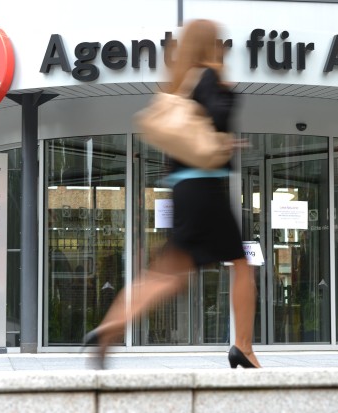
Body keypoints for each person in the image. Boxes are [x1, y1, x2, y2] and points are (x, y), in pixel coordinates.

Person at [83, 19, 260, 369]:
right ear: (210, 45)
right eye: (219, 42)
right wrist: (226, 105)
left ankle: (112, 324)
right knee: (240, 265)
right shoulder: (208, 77)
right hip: (206, 189)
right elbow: (218, 116)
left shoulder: (179, 85)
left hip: (185, 190)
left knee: (169, 274)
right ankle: (244, 347)